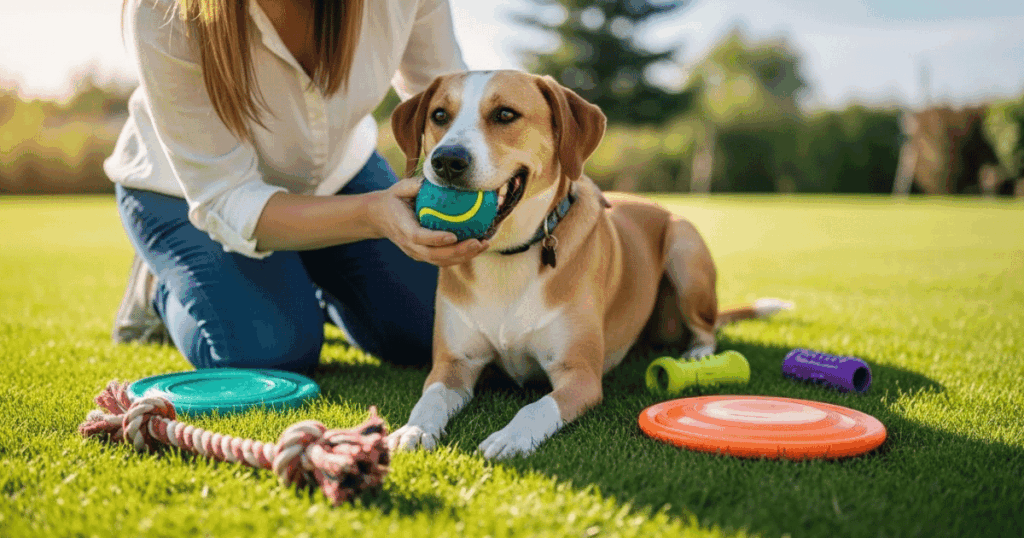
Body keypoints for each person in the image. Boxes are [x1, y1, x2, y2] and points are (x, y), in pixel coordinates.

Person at [106, 0, 489, 374]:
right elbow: (224, 194)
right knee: (268, 350)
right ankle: (160, 286)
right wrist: (372, 214)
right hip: (186, 194)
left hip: (339, 173)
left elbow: (453, 102)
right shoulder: (163, 9)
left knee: (431, 328)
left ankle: (300, 277)